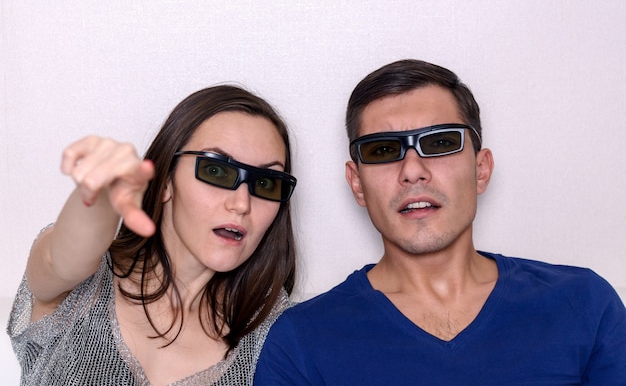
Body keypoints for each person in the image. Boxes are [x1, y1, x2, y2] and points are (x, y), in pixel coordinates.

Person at [254, 59, 626, 385]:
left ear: (481, 170)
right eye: (383, 150)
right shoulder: (301, 342)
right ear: (357, 184)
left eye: (439, 143)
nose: (413, 171)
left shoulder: (585, 304)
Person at [8, 85, 298, 386]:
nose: (241, 203)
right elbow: (62, 259)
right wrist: (105, 193)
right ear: (165, 181)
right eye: (216, 171)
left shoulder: (275, 333)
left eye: (266, 183)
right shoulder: (85, 287)